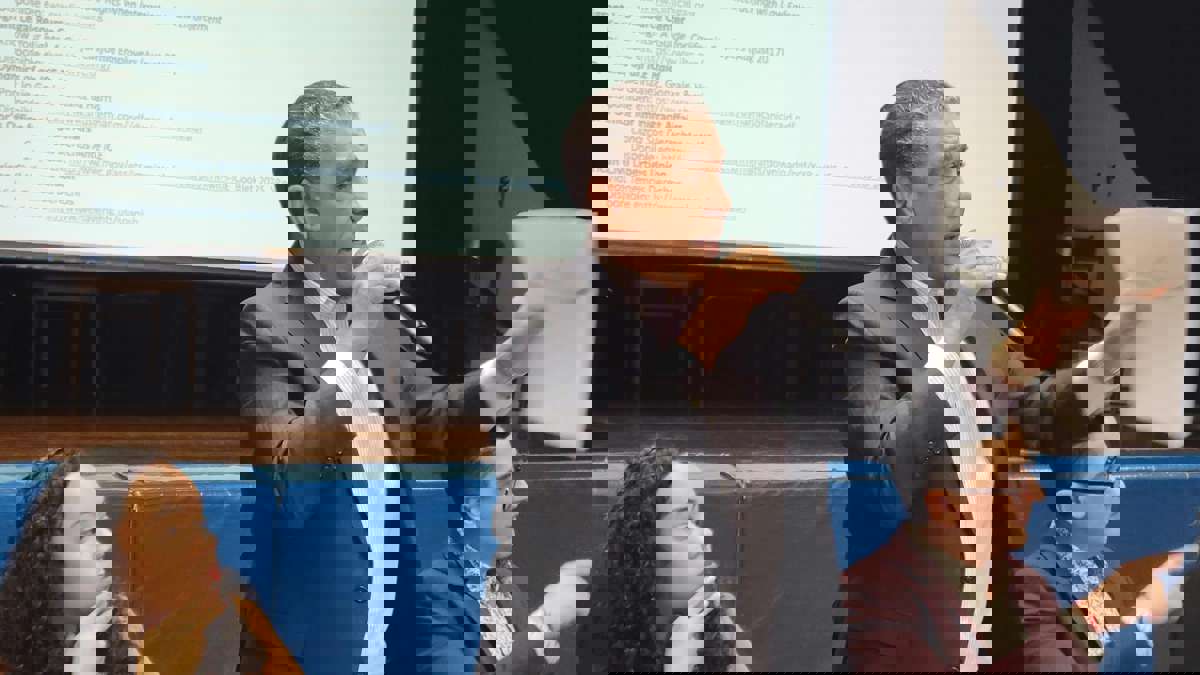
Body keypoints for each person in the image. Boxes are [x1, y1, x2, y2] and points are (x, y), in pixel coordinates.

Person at [836, 79, 1188, 672]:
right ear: (903, 190)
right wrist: (952, 329)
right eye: (948, 171)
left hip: (992, 600)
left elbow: (1035, 414)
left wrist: (1108, 356)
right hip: (911, 610)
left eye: (967, 171)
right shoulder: (869, 311)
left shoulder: (987, 315)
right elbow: (890, 466)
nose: (965, 193)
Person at [239, 80, 546, 674]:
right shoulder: (266, 322)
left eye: (363, 178)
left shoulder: (386, 317)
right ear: (301, 202)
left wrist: (506, 364)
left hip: (403, 624)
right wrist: (353, 336)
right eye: (344, 180)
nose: (361, 202)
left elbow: (434, 427)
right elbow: (286, 488)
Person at [527, 443, 750, 673]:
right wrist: (544, 623)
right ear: (644, 543)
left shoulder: (720, 637)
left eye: (701, 521)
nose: (705, 536)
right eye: (687, 522)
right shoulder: (594, 627)